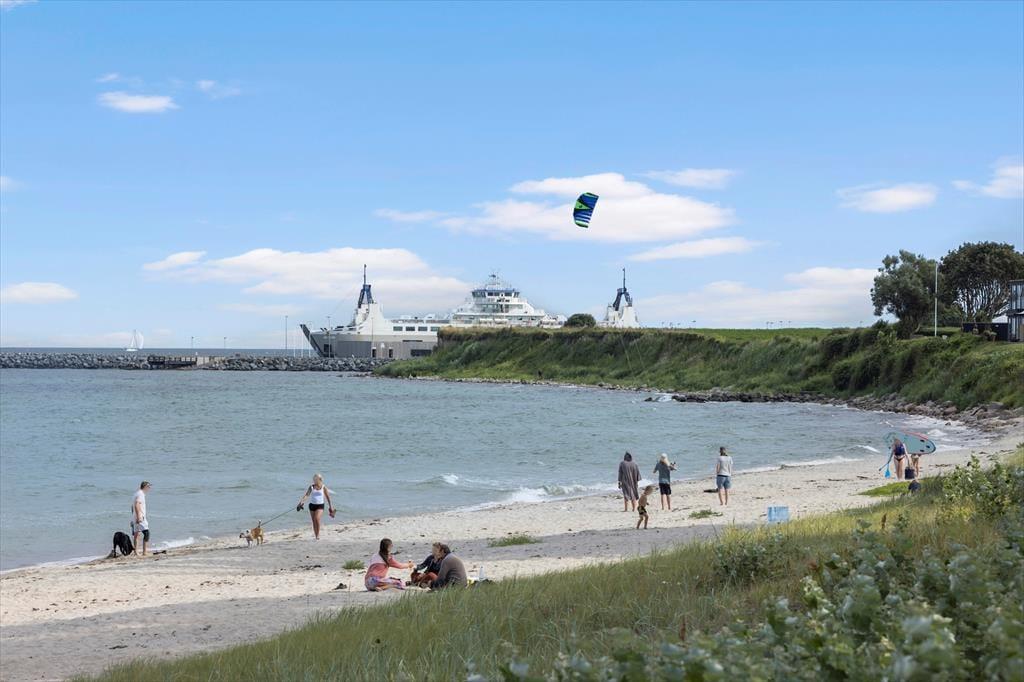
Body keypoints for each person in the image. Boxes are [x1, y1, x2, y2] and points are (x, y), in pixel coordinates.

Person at [296, 473, 335, 540]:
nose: (314, 480)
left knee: (317, 519)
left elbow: (328, 497)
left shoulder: (323, 487)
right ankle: (316, 536)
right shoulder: (311, 487)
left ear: (320, 479)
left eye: (316, 479)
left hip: (320, 505)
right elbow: (307, 495)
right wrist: (301, 502)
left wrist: (330, 506)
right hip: (312, 505)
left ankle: (318, 535)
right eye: (314, 479)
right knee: (314, 521)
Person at [131, 481, 152, 556]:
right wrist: (139, 516)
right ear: (145, 487)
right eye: (149, 487)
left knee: (137, 534)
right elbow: (137, 504)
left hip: (135, 517)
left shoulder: (136, 494)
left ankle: (136, 552)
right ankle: (144, 552)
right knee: (147, 533)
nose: (149, 488)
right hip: (140, 517)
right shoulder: (141, 494)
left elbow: (132, 507)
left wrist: (133, 516)